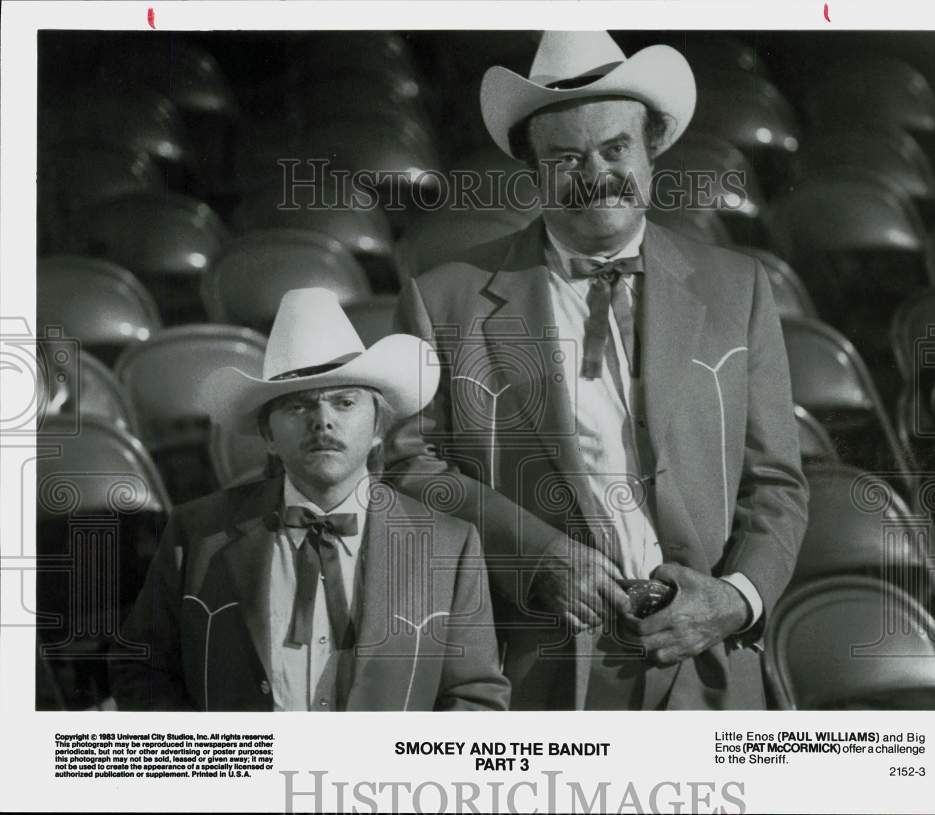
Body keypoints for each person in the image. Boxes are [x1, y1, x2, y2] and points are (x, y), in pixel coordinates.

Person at [385, 31, 808, 709]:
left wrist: (735, 599)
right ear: (534, 173)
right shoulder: (443, 300)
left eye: (615, 148)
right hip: (535, 670)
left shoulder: (739, 288)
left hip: (709, 668)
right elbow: (409, 470)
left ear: (653, 151)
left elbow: (778, 485)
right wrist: (533, 553)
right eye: (565, 157)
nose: (595, 173)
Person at [111, 288, 510, 712]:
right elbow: (142, 671)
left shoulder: (449, 545)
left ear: (378, 427)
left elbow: (475, 697)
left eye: (344, 402)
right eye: (298, 407)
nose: (323, 421)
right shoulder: (197, 534)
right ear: (267, 436)